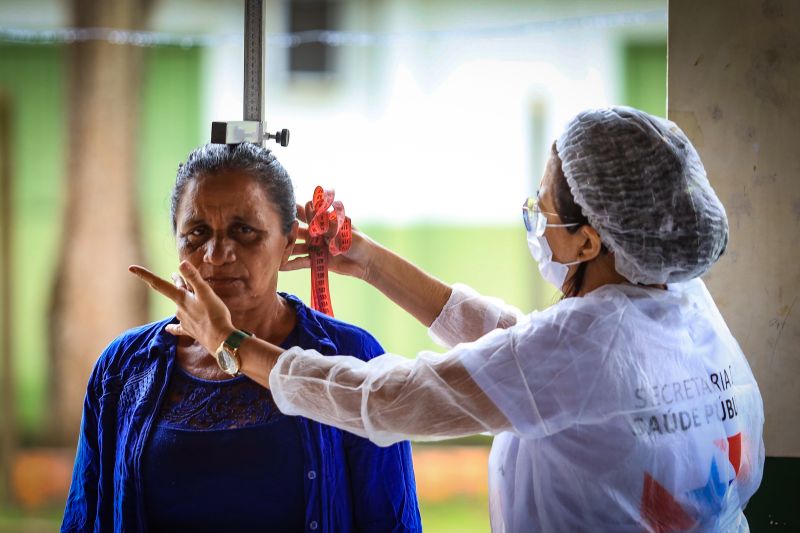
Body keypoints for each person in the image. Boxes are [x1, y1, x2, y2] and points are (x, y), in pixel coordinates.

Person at [132, 106, 764, 532]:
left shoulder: (583, 345)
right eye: (197, 234)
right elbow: (517, 346)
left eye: (541, 205)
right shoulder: (683, 308)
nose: (219, 255)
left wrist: (233, 344)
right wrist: (369, 261)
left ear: (589, 242)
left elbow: (383, 399)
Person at [62, 143, 422, 532]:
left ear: (288, 243)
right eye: (197, 233)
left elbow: (391, 522)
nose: (216, 254)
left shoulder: (350, 358)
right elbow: (84, 519)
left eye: (245, 231)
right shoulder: (123, 367)